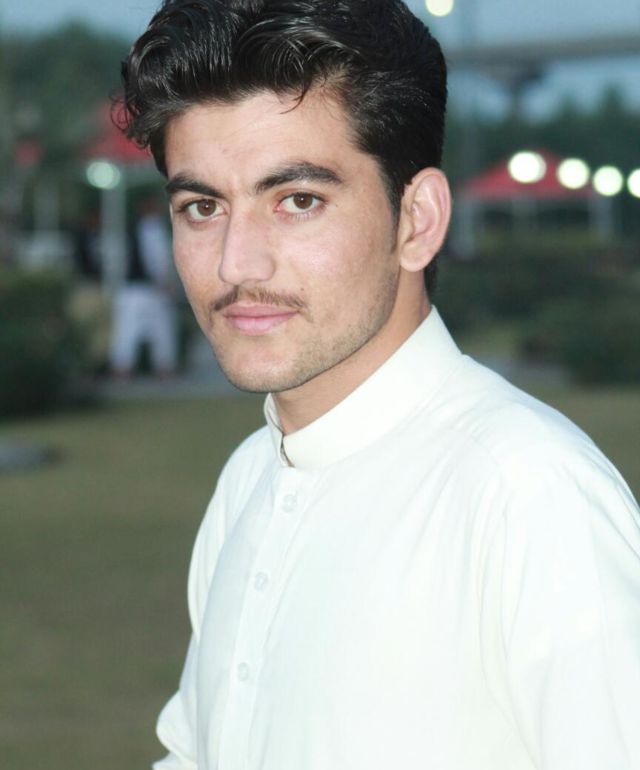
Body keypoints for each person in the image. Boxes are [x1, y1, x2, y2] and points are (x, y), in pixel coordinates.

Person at [121, 1, 640, 768]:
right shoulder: (250, 479)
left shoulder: (528, 499)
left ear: (417, 220)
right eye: (202, 207)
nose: (236, 262)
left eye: (298, 201)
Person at [110, 196, 178, 377]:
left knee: (127, 330)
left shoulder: (132, 229)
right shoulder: (152, 228)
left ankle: (123, 367)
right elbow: (158, 260)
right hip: (149, 288)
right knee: (160, 330)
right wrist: (165, 282)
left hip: (132, 287)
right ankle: (163, 367)